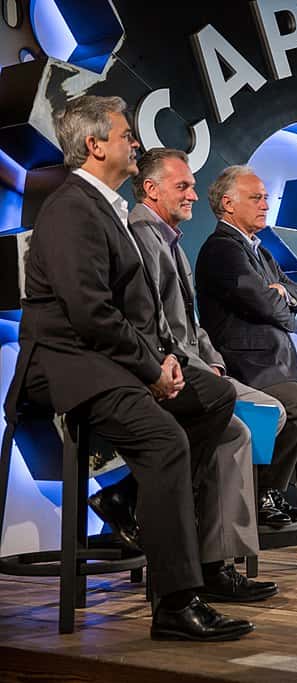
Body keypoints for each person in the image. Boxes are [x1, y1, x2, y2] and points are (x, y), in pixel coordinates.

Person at [7, 95, 254, 639]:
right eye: (125, 135)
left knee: (213, 397)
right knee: (166, 442)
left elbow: (128, 313)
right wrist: (150, 370)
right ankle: (175, 603)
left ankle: (134, 507)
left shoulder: (106, 208)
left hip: (108, 359)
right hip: (69, 367)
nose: (135, 143)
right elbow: (91, 314)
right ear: (95, 146)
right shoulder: (74, 207)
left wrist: (163, 362)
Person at [127, 147, 290, 602]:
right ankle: (211, 557)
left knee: (268, 416)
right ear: (151, 189)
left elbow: (192, 322)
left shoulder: (170, 238)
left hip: (200, 365)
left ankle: (216, 543)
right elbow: (152, 323)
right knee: (240, 429)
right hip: (166, 374)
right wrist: (189, 365)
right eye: (184, 186)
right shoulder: (143, 234)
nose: (196, 195)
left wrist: (211, 357)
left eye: (193, 186)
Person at [195, 166, 297, 521]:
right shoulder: (222, 250)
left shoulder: (260, 251)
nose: (264, 205)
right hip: (248, 369)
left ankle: (266, 489)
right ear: (228, 204)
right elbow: (264, 303)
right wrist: (281, 302)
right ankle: (257, 493)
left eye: (265, 198)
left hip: (275, 368)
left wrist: (282, 294)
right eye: (255, 198)